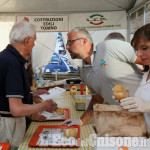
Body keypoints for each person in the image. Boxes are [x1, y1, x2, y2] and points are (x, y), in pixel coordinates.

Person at [63, 28, 143, 126]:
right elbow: (97, 100)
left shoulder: (110, 47)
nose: (67, 47)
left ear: (84, 41)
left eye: (70, 42)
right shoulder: (84, 72)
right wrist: (80, 121)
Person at [0, 20, 57, 150]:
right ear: (27, 41)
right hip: (9, 124)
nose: (34, 45)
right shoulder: (13, 64)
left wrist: (31, 94)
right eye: (34, 41)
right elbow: (16, 109)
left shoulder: (5, 57)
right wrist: (43, 106)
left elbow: (5, 92)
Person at [119, 23, 150, 134]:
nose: (139, 54)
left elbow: (146, 105)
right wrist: (127, 97)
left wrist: (147, 106)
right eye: (136, 49)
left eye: (144, 48)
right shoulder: (146, 75)